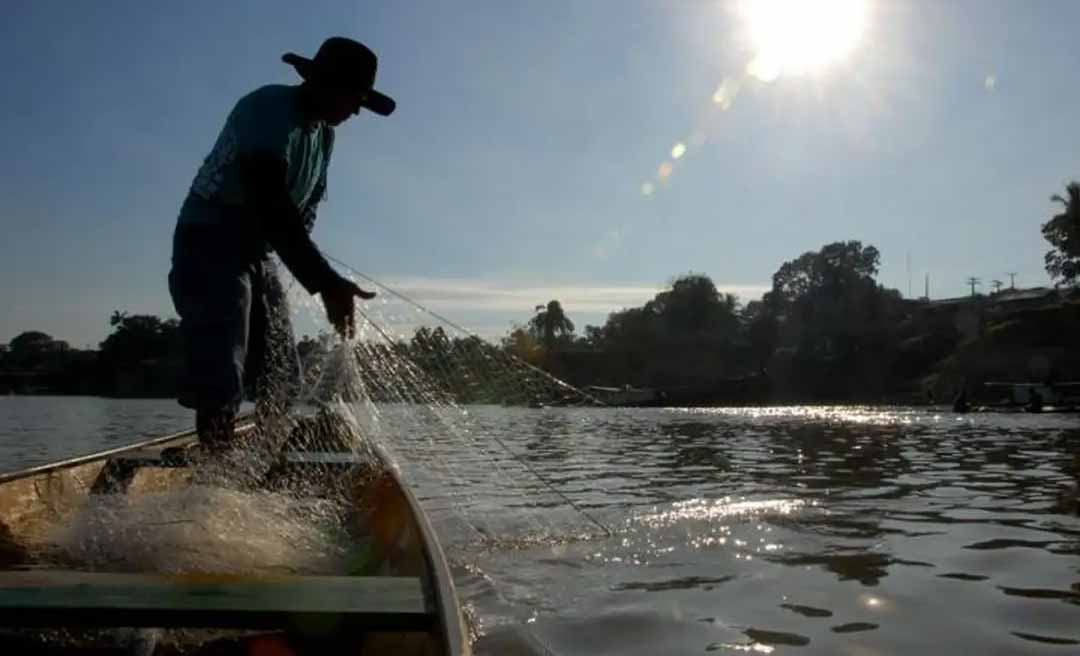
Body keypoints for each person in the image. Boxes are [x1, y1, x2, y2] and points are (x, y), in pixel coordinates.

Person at [169, 37, 393, 448]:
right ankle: (214, 473)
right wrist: (324, 281)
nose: (356, 110)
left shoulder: (324, 136)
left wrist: (319, 275)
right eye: (352, 97)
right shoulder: (269, 109)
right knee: (221, 364)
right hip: (209, 240)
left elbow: (299, 216)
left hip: (258, 252)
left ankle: (265, 457)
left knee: (283, 375)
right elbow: (271, 202)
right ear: (323, 83)